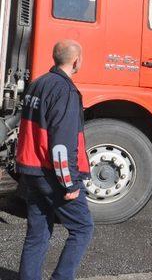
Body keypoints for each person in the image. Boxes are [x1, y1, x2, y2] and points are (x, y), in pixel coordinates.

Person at [17, 40, 94, 280]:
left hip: (31, 170)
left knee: (37, 233)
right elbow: (61, 146)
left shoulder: (38, 84)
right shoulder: (65, 91)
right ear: (76, 60)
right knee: (82, 228)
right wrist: (69, 184)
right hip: (51, 175)